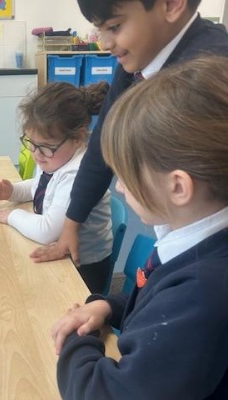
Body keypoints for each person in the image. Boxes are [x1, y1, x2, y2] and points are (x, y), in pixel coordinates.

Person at [51, 56, 228, 399]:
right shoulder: (194, 245)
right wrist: (108, 307)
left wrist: (77, 340)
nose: (119, 187)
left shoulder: (200, 292)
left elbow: (103, 393)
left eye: (127, 175)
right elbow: (157, 301)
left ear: (178, 187)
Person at [30, 0, 228, 267]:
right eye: (99, 29)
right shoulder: (141, 57)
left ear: (171, 5)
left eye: (114, 27)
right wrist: (71, 224)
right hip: (177, 239)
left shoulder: (210, 69)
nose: (104, 43)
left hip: (206, 252)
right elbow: (102, 143)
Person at [0, 81, 113, 294]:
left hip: (84, 268)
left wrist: (12, 216)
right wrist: (13, 191)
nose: (36, 153)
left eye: (45, 146)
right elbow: (40, 186)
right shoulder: (55, 157)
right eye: (31, 143)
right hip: (62, 254)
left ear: (78, 138)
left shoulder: (77, 173)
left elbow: (46, 231)